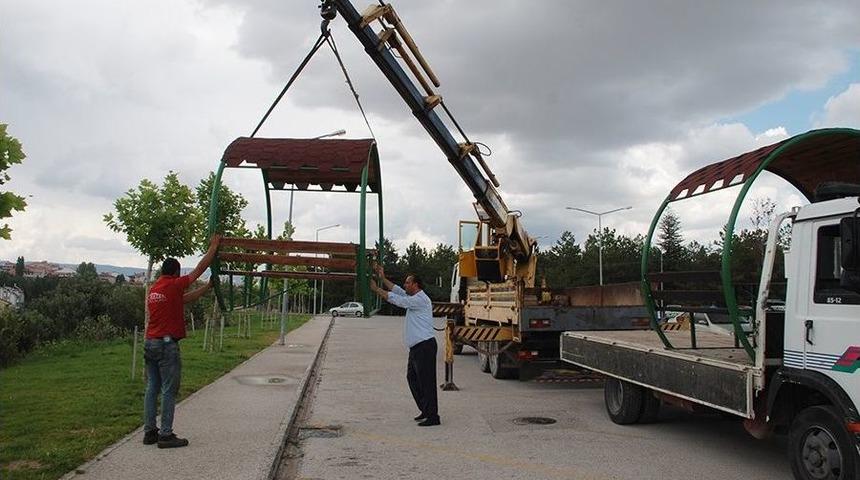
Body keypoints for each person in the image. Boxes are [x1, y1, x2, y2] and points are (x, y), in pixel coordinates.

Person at [143, 236, 220, 448]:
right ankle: (166, 435)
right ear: (176, 272)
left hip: (150, 343)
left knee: (152, 387)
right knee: (169, 389)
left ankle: (150, 432)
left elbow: (185, 299)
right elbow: (198, 270)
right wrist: (213, 247)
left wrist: (207, 289)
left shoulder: (156, 289)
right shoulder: (174, 285)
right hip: (167, 346)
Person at [370, 263, 440, 427]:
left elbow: (399, 300)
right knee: (413, 379)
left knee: (427, 382)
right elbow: (398, 291)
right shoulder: (413, 297)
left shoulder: (420, 299)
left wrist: (377, 290)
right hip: (416, 348)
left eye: (408, 282)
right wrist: (383, 278)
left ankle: (433, 417)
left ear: (416, 285)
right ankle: (425, 409)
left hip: (425, 347)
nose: (405, 285)